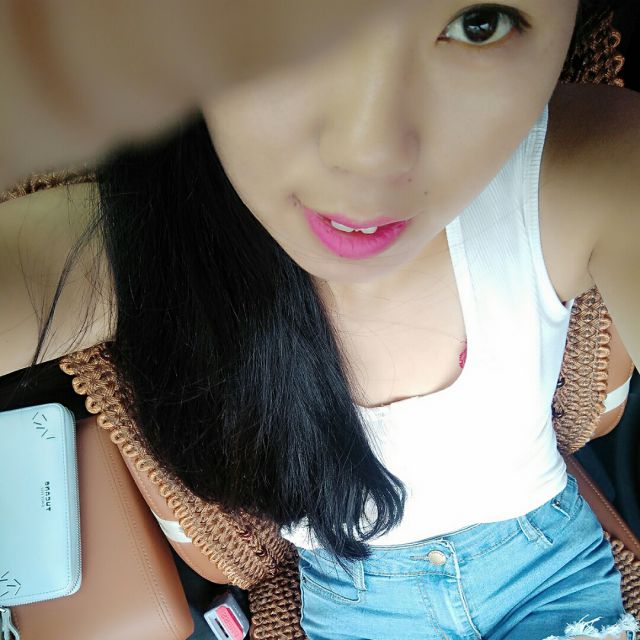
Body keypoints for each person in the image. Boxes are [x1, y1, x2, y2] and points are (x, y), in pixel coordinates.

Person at [1, 1, 640, 638]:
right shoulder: (156, 235)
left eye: (479, 24)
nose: (370, 154)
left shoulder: (583, 168)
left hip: (547, 573)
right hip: (359, 608)